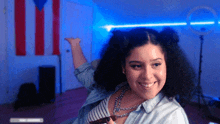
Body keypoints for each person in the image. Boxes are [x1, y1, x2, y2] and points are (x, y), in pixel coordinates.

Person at [64, 27, 196, 124]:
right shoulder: (113, 86)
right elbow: (84, 72)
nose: (148, 76)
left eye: (156, 64)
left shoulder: (171, 117)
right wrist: (75, 45)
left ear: (167, 65)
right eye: (137, 66)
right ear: (123, 67)